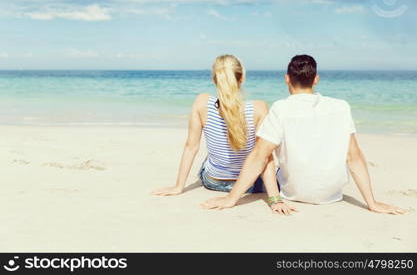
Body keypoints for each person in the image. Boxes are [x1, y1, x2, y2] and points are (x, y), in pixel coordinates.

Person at [201, 55, 406, 215]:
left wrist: (231, 199)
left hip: (294, 193)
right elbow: (354, 158)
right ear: (315, 79)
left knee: (268, 154)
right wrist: (372, 202)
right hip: (332, 194)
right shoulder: (341, 107)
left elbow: (258, 156)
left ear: (287, 79)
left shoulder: (280, 109)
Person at [152, 55, 296, 213]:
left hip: (213, 181)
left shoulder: (202, 102)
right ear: (242, 78)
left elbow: (191, 147)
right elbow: (264, 157)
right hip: (252, 185)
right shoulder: (258, 109)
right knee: (263, 154)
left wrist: (178, 186)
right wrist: (275, 199)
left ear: (215, 79)